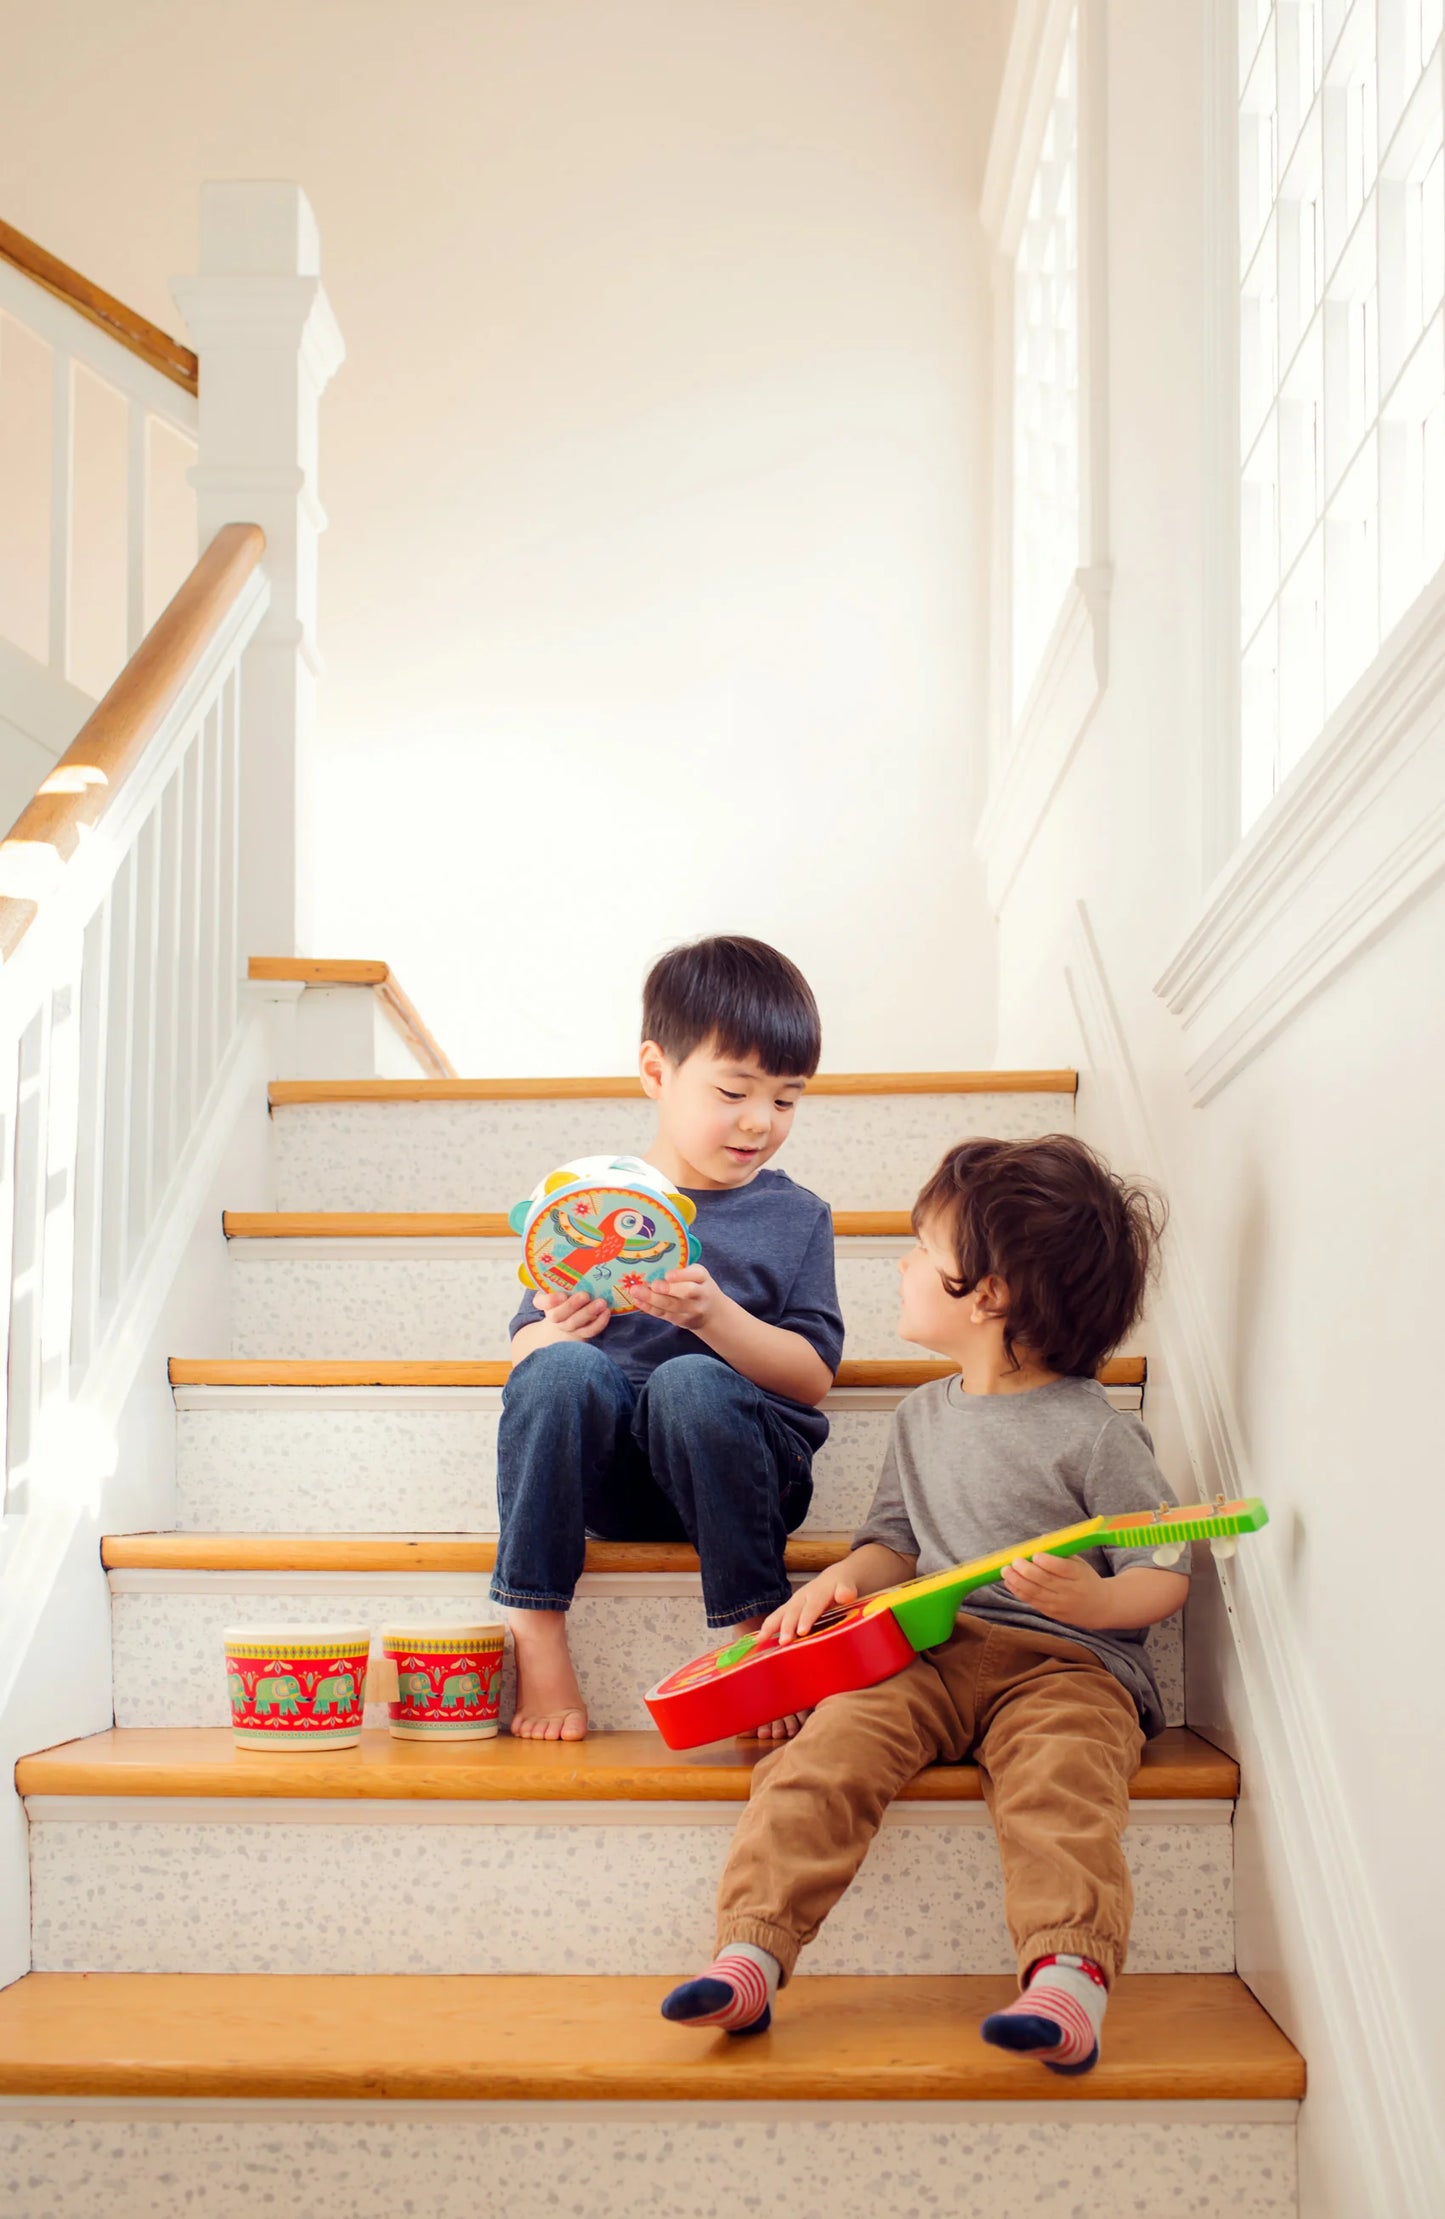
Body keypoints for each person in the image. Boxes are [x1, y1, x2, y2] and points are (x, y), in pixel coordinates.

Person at [660, 1133, 1189, 2075]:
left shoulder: (1096, 1433)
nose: (902, 1264)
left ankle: (1067, 1977)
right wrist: (838, 1581)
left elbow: (1166, 1572)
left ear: (987, 1296)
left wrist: (1097, 1597)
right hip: (928, 1654)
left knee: (1060, 1793)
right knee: (820, 1755)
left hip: (1066, 1668)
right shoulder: (921, 1416)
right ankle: (750, 1950)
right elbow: (893, 1543)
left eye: (922, 1251)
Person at [492, 934, 844, 1742]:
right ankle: (537, 1629)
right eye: (733, 1090)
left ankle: (755, 1632)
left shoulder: (795, 1218)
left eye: (786, 1100)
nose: (760, 1121)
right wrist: (550, 1332)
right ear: (656, 1071)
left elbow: (811, 1377)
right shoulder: (585, 1207)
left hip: (745, 1468)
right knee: (556, 1370)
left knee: (690, 1378)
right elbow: (522, 1361)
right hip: (610, 1479)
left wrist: (713, 1319)